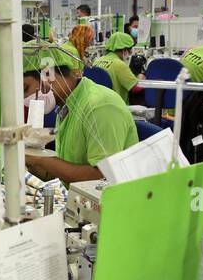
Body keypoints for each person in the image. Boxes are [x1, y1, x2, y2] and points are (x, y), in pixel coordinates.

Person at [24, 43, 137, 185]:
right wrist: (29, 160)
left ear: (48, 74)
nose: (25, 98)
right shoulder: (66, 106)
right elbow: (64, 173)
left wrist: (40, 159)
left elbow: (101, 177)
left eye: (25, 88)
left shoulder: (99, 106)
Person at [90, 31, 138, 102]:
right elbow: (135, 88)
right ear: (124, 50)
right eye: (130, 50)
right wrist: (140, 77)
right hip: (116, 105)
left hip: (98, 104)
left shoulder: (96, 61)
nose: (130, 54)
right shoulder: (119, 64)